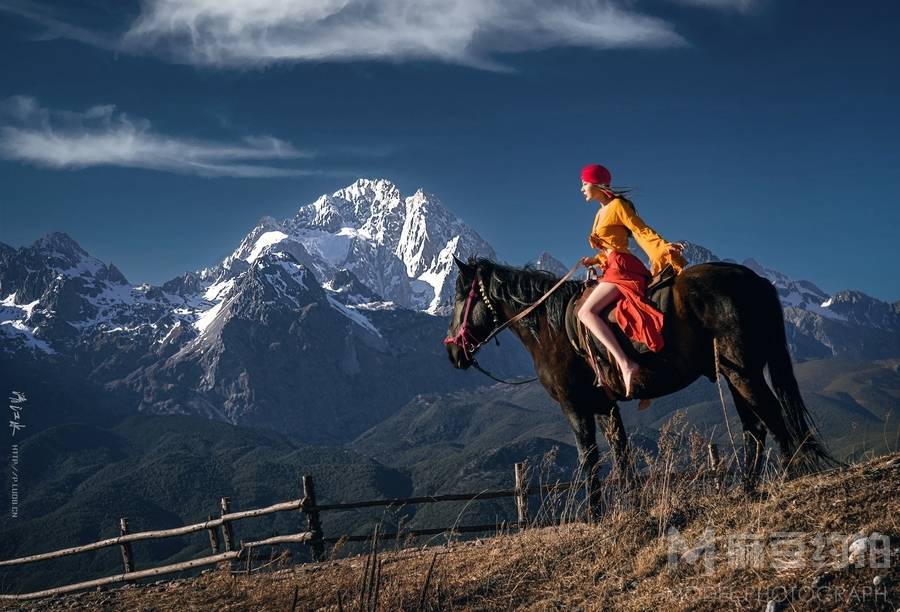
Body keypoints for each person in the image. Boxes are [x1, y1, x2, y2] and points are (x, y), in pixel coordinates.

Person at [576, 163, 686, 397]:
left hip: (621, 267)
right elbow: (611, 246)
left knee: (585, 313)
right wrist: (594, 261)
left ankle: (626, 364)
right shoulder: (600, 212)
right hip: (612, 265)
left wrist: (664, 247)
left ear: (596, 183)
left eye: (584, 183)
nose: (582, 188)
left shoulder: (617, 205)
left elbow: (640, 230)